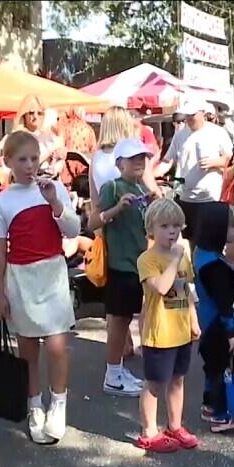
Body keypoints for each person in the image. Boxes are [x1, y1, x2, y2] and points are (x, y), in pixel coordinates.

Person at [0, 131, 80, 445]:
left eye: (34, 158)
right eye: (22, 159)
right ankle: (34, 405)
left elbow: (73, 229)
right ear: (8, 162)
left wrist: (54, 201)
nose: (29, 165)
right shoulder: (3, 201)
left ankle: (59, 404)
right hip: (21, 279)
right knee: (28, 349)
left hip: (52, 274)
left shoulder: (55, 189)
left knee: (57, 345)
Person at [88, 138, 154, 397]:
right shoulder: (112, 187)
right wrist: (116, 208)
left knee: (126, 319)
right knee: (118, 320)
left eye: (142, 158)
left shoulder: (141, 188)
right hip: (119, 264)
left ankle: (117, 370)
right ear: (119, 163)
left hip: (137, 264)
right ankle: (113, 374)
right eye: (133, 158)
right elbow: (93, 222)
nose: (139, 162)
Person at [136, 198, 199, 452]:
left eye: (176, 226)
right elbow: (161, 287)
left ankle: (175, 425)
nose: (171, 231)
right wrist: (174, 259)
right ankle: (149, 431)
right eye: (164, 226)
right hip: (159, 333)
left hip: (180, 331)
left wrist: (193, 320)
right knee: (154, 383)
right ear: (151, 229)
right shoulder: (147, 259)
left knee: (177, 379)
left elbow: (186, 290)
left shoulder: (182, 257)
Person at [194, 202, 234, 432]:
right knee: (220, 368)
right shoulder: (216, 266)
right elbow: (224, 304)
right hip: (217, 323)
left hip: (206, 319)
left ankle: (209, 406)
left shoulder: (202, 253)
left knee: (212, 367)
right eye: (231, 227)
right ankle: (219, 415)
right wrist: (232, 333)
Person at [159, 99, 233, 249]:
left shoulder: (218, 133)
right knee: (189, 241)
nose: (188, 119)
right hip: (185, 197)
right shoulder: (180, 135)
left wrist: (215, 162)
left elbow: (232, 160)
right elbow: (168, 161)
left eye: (192, 115)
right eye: (186, 115)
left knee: (209, 243)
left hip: (210, 198)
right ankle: (193, 264)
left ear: (202, 113)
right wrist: (150, 175)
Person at [8, 95, 66, 178]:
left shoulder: (50, 137)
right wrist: (49, 154)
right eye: (31, 113)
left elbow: (61, 160)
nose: (35, 117)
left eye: (39, 113)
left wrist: (61, 154)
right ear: (24, 115)